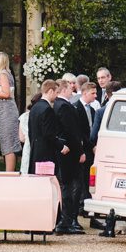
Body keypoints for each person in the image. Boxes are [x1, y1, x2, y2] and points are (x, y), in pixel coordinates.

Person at [52, 76, 96, 234]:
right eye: (70, 88)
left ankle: (68, 219)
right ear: (63, 90)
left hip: (64, 151)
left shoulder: (57, 105)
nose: (73, 90)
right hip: (69, 153)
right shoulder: (64, 106)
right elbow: (72, 132)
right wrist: (80, 151)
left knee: (69, 185)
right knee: (72, 186)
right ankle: (68, 220)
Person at [0, 50, 22, 172]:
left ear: (0, 61)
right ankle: (10, 171)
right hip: (5, 110)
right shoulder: (5, 73)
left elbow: (6, 94)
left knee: (8, 142)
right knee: (7, 140)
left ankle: (9, 173)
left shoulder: (3, 74)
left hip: (7, 111)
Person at [25, 77, 66, 182]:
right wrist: (61, 146)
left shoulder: (35, 107)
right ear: (51, 91)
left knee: (36, 180)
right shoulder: (47, 109)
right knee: (45, 181)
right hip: (45, 152)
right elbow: (49, 134)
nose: (57, 96)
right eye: (56, 92)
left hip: (35, 149)